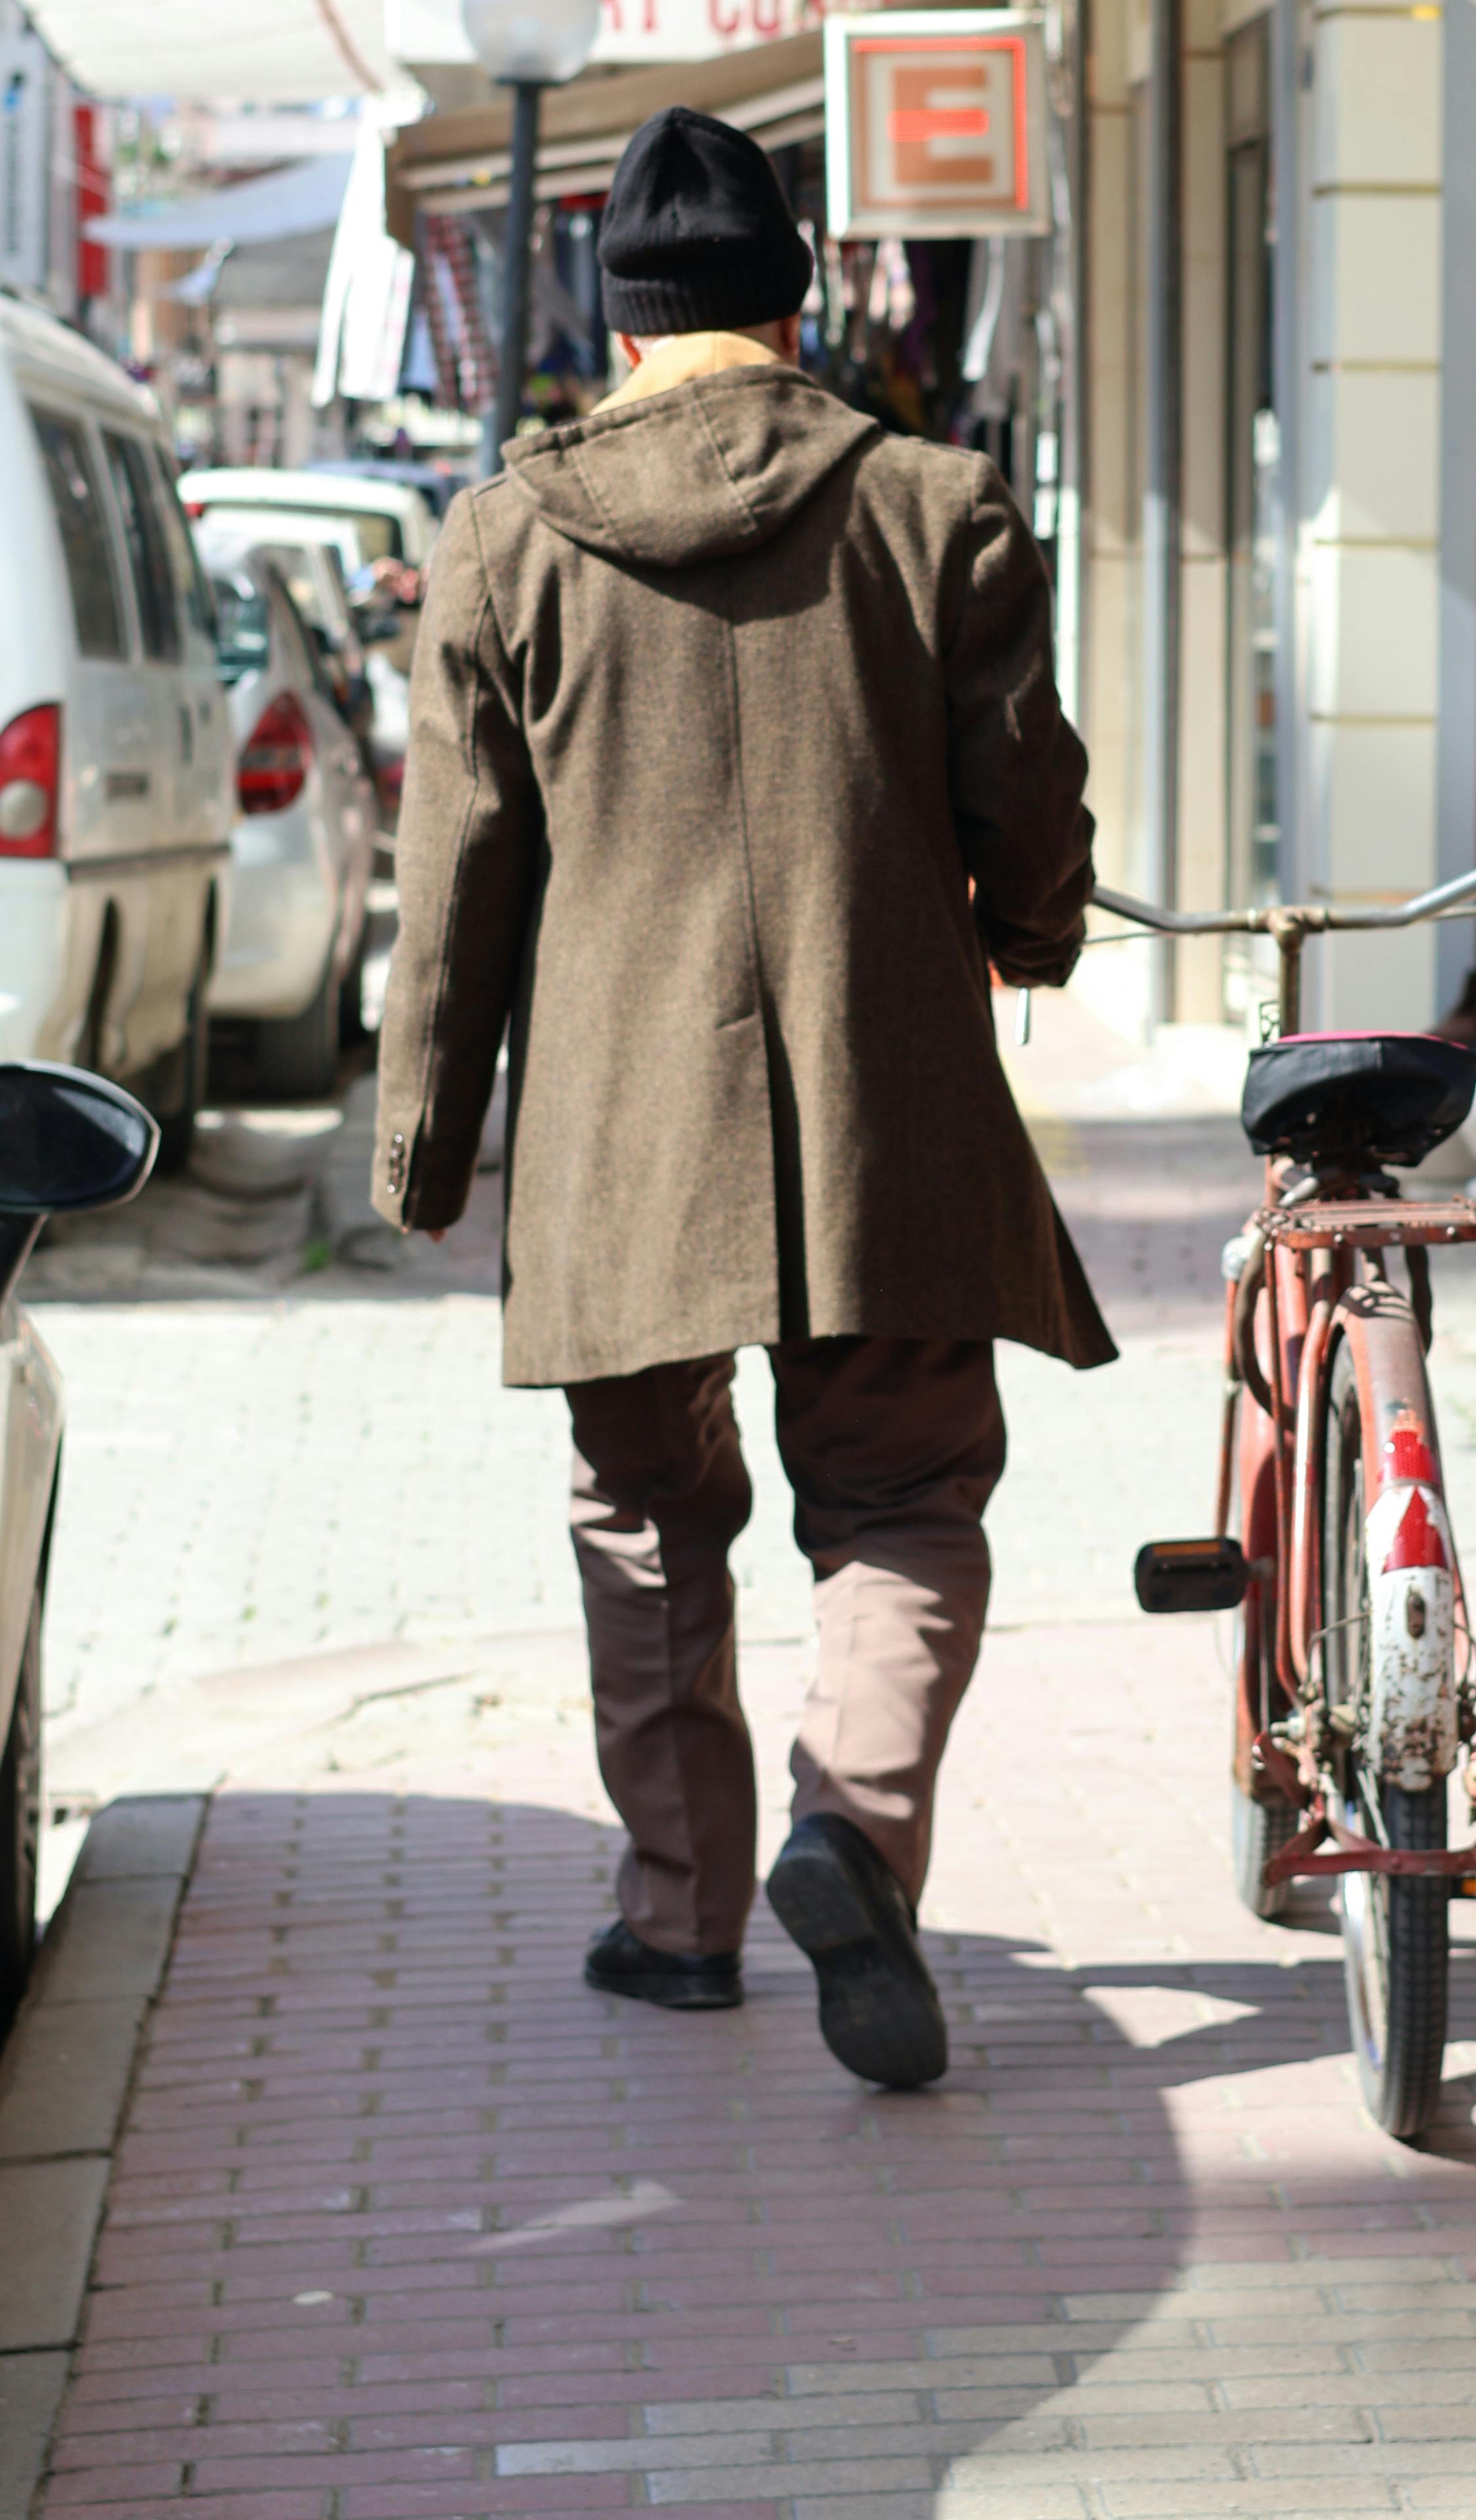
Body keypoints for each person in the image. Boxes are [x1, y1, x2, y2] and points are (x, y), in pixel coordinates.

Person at [374, 106, 1111, 2089]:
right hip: (894, 1126)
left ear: (623, 329)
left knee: (642, 1513)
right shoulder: (936, 503)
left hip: (621, 1136)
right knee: (902, 1495)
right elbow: (1028, 806)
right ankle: (850, 1830)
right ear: (797, 308)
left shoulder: (507, 537)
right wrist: (1035, 940)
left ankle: (681, 1921)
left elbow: (453, 894)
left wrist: (425, 1149)